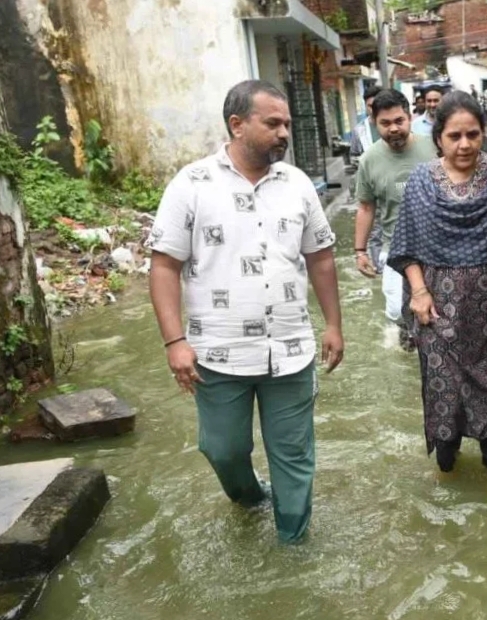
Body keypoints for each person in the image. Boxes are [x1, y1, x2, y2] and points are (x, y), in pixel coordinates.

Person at [146, 80, 344, 543]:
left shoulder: (297, 184)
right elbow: (164, 266)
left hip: (290, 349)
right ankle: (250, 498)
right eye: (273, 123)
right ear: (236, 125)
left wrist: (334, 324)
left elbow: (320, 258)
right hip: (217, 352)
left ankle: (293, 544)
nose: (284, 133)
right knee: (223, 450)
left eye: (287, 124)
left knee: (293, 455)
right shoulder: (191, 184)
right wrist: (174, 342)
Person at [388, 91, 487, 474]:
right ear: (438, 138)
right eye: (455, 136)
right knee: (447, 440)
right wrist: (419, 293)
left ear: (484, 133)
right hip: (440, 319)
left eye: (473, 135)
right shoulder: (421, 182)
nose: (465, 144)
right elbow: (406, 245)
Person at [354, 89, 438, 349]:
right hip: (394, 251)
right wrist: (360, 251)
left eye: (399, 121)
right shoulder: (368, 160)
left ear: (410, 117)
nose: (393, 128)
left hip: (438, 249)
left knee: (441, 311)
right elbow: (366, 207)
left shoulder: (435, 147)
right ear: (374, 122)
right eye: (385, 123)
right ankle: (409, 349)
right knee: (397, 313)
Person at [348, 85, 385, 271]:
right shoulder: (360, 131)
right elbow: (354, 158)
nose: (374, 109)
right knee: (375, 230)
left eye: (377, 104)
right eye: (370, 105)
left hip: (394, 186)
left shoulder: (392, 126)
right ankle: (379, 268)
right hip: (371, 188)